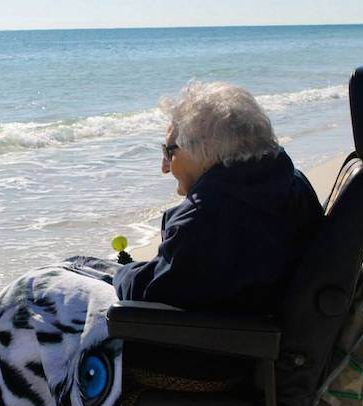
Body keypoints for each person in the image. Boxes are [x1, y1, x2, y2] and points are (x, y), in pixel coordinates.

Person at [113, 82, 323, 314]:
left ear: (203, 150)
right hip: (261, 316)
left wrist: (121, 272)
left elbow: (147, 293)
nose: (164, 167)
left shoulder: (206, 219)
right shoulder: (290, 182)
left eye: (168, 152)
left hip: (220, 339)